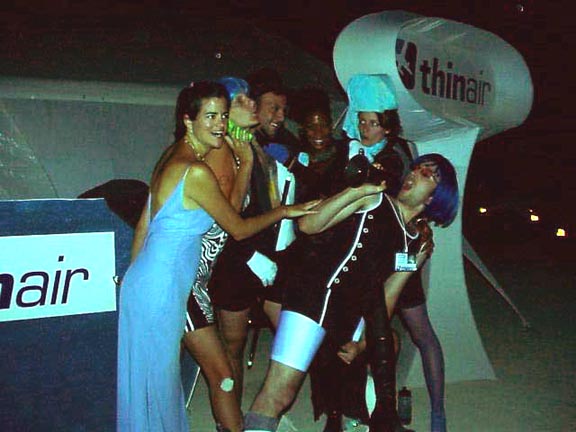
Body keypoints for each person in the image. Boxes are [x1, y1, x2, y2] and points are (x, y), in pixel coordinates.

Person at [116, 81, 319, 432]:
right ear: (188, 120)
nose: (220, 124)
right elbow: (237, 227)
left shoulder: (175, 155)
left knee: (157, 384)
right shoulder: (196, 170)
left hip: (155, 281)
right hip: (167, 285)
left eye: (223, 115)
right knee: (185, 379)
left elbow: (145, 224)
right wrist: (285, 210)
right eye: (210, 116)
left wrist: (133, 277)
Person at [242, 153, 459, 432]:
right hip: (312, 297)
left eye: (427, 174)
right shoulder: (375, 199)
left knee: (352, 392)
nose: (414, 174)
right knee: (280, 391)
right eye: (416, 168)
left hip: (349, 317)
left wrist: (363, 341)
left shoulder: (414, 240)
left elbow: (385, 299)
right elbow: (308, 225)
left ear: (433, 198)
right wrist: (357, 191)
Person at [208, 69, 301, 409]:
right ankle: (231, 420)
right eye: (244, 101)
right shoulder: (222, 151)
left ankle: (268, 406)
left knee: (294, 333)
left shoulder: (255, 145)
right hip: (234, 260)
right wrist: (250, 255)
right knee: (232, 347)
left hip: (270, 254)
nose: (279, 116)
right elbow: (225, 220)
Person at [180, 77, 257, 431]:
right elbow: (233, 219)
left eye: (224, 114)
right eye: (238, 102)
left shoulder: (231, 148)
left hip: (199, 276)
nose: (250, 104)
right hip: (185, 276)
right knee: (221, 370)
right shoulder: (218, 153)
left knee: (220, 366)